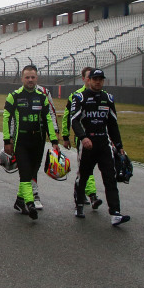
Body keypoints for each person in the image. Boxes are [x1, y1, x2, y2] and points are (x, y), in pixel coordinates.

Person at [69, 69, 130, 226]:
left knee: (110, 177)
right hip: (88, 144)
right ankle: (79, 205)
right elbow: (74, 120)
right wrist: (83, 137)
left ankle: (115, 212)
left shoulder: (108, 98)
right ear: (89, 80)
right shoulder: (80, 97)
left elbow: (113, 124)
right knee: (83, 176)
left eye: (100, 79)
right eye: (94, 79)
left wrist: (119, 146)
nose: (97, 82)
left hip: (104, 143)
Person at [2, 65, 59, 221]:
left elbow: (48, 119)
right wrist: (7, 140)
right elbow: (6, 118)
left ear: (37, 78)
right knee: (25, 173)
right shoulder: (14, 96)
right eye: (27, 77)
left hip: (38, 141)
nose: (30, 80)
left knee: (32, 171)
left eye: (33, 77)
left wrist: (53, 140)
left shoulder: (42, 97)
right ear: (22, 78)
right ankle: (29, 203)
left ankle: (20, 201)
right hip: (20, 141)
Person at [62, 67, 102, 211]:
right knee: (86, 169)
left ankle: (78, 192)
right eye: (89, 77)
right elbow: (68, 116)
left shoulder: (102, 95)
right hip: (83, 139)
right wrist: (65, 136)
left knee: (85, 170)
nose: (93, 80)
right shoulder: (76, 96)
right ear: (84, 79)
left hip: (100, 139)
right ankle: (92, 196)